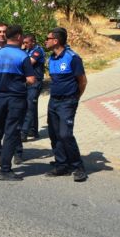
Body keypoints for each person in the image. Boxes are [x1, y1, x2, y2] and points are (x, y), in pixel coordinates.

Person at [0, 25, 36, 181]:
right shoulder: (22, 56)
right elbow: (31, 79)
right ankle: (5, 169)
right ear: (19, 37)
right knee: (11, 132)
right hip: (16, 99)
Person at [45, 27, 88, 182]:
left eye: (47, 38)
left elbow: (82, 81)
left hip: (67, 102)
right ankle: (62, 164)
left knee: (65, 134)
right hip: (53, 101)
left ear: (55, 41)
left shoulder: (73, 58)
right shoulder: (51, 58)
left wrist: (75, 98)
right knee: (54, 134)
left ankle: (78, 166)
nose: (46, 41)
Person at [20, 34, 45, 142]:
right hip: (28, 82)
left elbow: (29, 63)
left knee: (29, 105)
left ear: (33, 42)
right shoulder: (27, 51)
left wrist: (20, 52)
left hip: (35, 82)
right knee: (31, 106)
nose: (24, 45)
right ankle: (33, 130)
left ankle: (23, 133)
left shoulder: (37, 51)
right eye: (23, 42)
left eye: (26, 43)